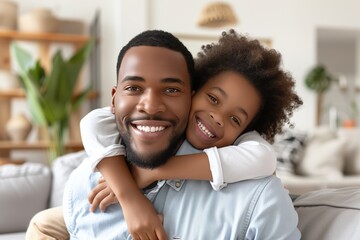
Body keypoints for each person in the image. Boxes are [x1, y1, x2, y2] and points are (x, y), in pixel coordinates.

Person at [26, 29, 301, 239]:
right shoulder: (84, 183)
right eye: (213, 99)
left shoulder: (256, 179)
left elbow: (264, 158)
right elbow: (93, 122)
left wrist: (150, 172)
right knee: (42, 223)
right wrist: (128, 193)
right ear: (195, 93)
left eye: (235, 118)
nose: (217, 117)